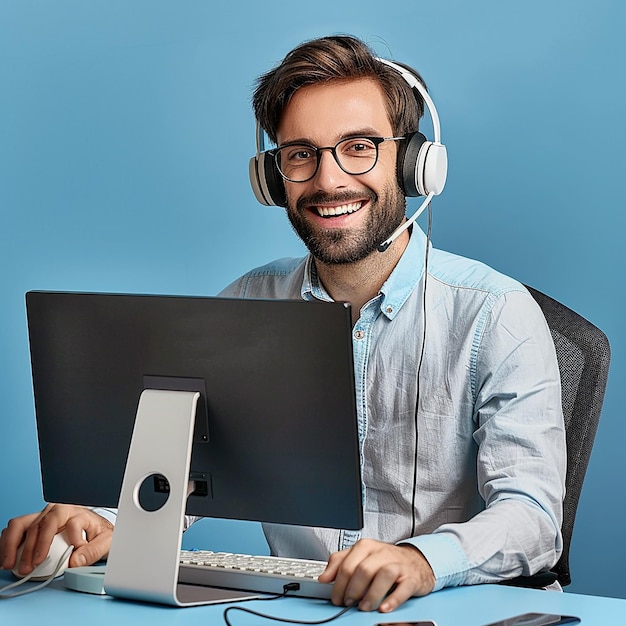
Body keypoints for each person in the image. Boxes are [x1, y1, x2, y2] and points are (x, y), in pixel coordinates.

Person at [0, 35, 566, 614]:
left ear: (417, 161)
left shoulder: (495, 313)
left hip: (465, 609)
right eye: (301, 154)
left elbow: (533, 517)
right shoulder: (250, 302)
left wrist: (422, 561)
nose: (328, 181)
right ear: (273, 178)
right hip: (305, 608)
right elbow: (187, 470)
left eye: (359, 147)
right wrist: (102, 518)